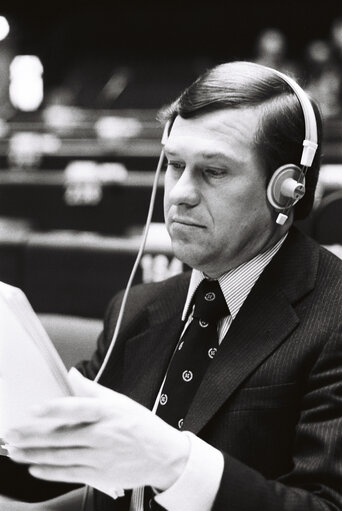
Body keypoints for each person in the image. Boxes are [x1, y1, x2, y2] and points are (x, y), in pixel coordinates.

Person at [3, 61, 342, 511]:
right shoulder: (138, 307)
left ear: (287, 190)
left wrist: (174, 464)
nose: (180, 192)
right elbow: (39, 475)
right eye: (175, 165)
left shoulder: (333, 317)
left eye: (214, 172)